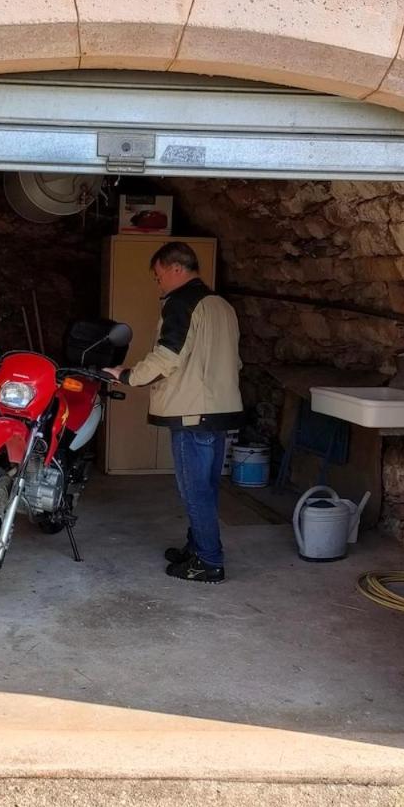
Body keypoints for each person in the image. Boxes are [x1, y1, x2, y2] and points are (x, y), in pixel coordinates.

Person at [106, 242, 243, 583]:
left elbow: (167, 356)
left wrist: (127, 375)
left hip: (192, 413)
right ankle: (197, 548)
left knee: (194, 490)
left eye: (158, 276)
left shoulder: (181, 302)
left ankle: (209, 561)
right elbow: (235, 361)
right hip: (220, 409)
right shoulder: (222, 305)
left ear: (175, 268)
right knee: (206, 487)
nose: (158, 284)